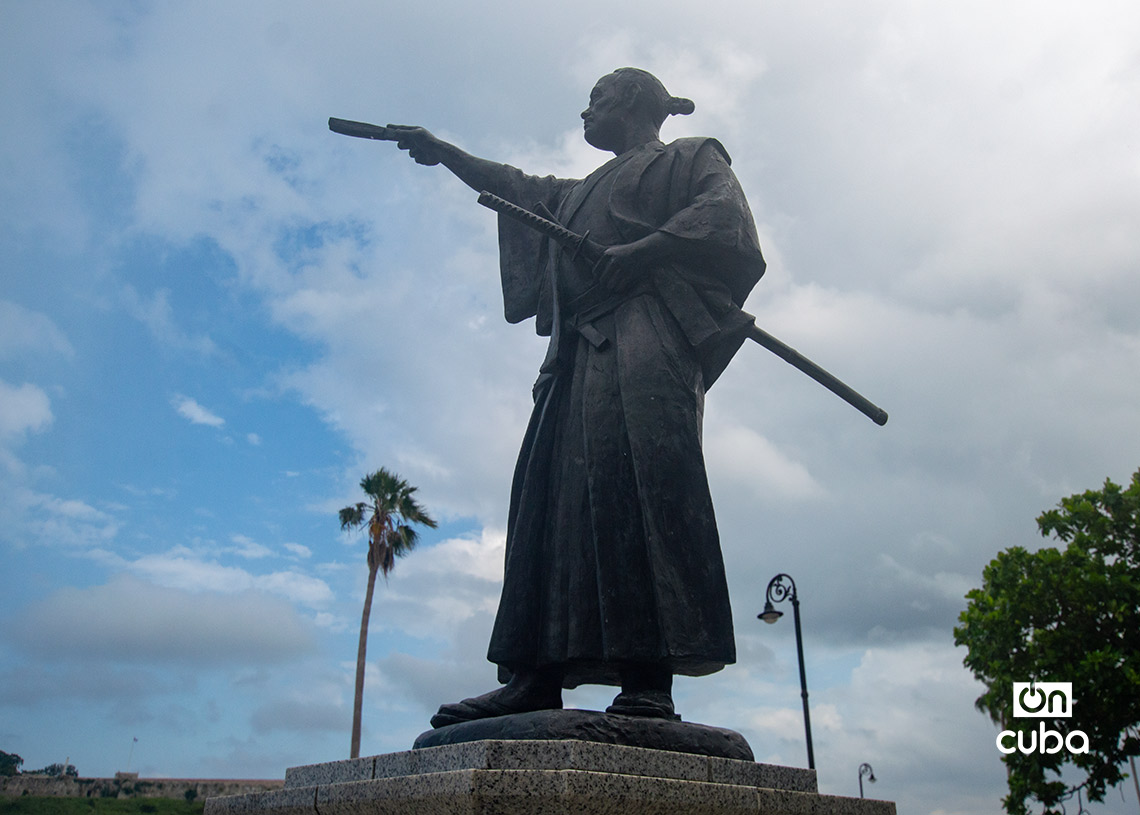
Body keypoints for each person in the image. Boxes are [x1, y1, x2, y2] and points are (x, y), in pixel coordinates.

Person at [386, 68, 766, 725]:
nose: (585, 112)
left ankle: (648, 677)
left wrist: (643, 251)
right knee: (548, 499)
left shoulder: (690, 156)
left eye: (597, 99)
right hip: (573, 356)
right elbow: (516, 188)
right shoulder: (579, 191)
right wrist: (446, 153)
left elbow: (723, 217)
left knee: (640, 489)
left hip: (643, 335)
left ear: (635, 102)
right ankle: (537, 672)